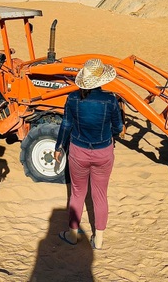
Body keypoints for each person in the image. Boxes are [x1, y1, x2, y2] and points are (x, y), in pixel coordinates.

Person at [54, 58, 124, 249]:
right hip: (103, 151)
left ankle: (72, 234)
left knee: (77, 193)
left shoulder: (73, 98)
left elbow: (66, 124)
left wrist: (59, 147)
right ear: (102, 79)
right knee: (100, 195)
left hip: (79, 150)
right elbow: (118, 127)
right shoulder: (111, 100)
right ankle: (99, 240)